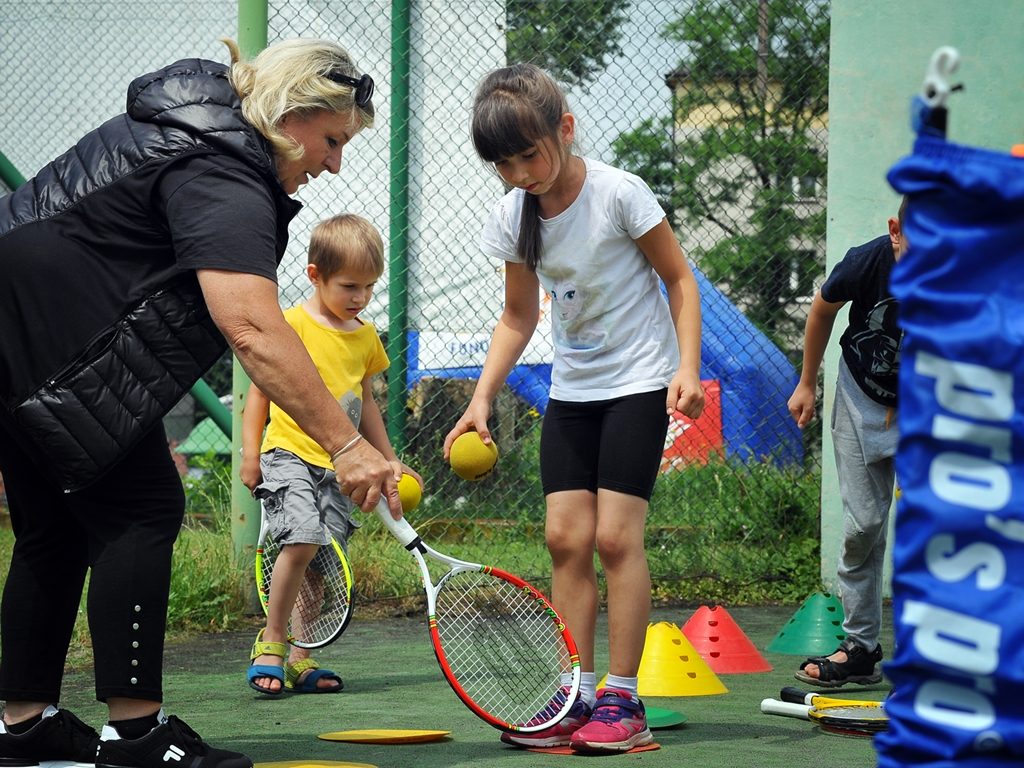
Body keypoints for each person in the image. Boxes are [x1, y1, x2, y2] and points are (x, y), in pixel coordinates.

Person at [0, 38, 403, 768]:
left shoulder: (196, 127)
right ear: (296, 111)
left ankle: (23, 726)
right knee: (143, 507)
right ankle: (137, 734)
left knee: (53, 528)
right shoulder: (224, 170)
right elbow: (250, 325)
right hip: (48, 336)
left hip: (18, 329)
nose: (334, 162)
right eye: (334, 140)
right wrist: (347, 445)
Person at [443, 63, 704, 755]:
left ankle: (623, 698)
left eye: (529, 153)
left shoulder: (620, 194)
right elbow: (517, 315)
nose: (520, 172)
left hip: (639, 383)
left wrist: (686, 367)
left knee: (617, 539)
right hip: (573, 391)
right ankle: (575, 691)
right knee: (565, 538)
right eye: (504, 163)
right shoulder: (512, 216)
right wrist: (481, 397)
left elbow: (679, 279)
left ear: (564, 128)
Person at [240, 213, 421, 696]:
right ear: (315, 275)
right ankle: (271, 642)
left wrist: (388, 457)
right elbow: (260, 392)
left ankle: (301, 656)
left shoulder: (364, 337)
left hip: (338, 470)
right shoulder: (291, 325)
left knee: (321, 563)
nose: (360, 297)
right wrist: (250, 453)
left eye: (368, 287)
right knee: (299, 542)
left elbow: (365, 404)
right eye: (349, 286)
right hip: (288, 454)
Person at [787, 197, 908, 688]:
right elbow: (821, 311)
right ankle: (860, 647)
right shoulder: (868, 260)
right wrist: (806, 382)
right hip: (860, 397)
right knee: (863, 526)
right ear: (896, 231)